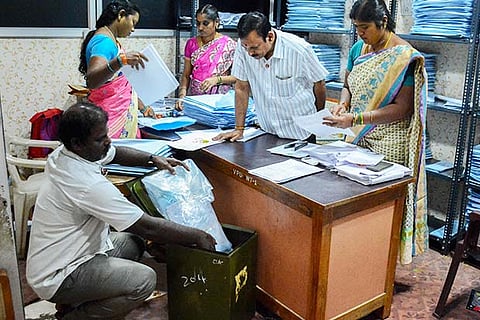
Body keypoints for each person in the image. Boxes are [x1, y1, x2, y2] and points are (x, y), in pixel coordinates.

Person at [26, 102, 216, 320]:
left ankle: (72, 303)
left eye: (106, 135)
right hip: (58, 275)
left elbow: (115, 153)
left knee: (132, 241)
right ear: (77, 143)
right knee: (143, 280)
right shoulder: (86, 183)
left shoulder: (66, 153)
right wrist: (198, 235)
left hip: (74, 253)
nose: (108, 141)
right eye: (100, 139)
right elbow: (147, 226)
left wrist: (153, 159)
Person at [323, 0, 428, 265]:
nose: (360, 33)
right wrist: (343, 104)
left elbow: (402, 108)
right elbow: (348, 82)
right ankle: (356, 258)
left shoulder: (404, 56)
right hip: (358, 134)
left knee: (381, 208)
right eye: (356, 27)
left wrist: (356, 117)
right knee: (353, 200)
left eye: (365, 27)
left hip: (390, 140)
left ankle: (380, 269)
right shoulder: (360, 48)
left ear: (383, 21)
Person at [213, 11, 328, 142]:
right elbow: (241, 87)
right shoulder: (243, 46)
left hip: (300, 132)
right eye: (246, 47)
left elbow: (319, 83)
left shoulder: (299, 50)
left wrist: (317, 121)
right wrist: (239, 128)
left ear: (270, 37)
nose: (250, 53)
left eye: (255, 47)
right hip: (267, 131)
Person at [79, 0, 154, 139]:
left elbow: (123, 82)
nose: (133, 29)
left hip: (114, 111)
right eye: (133, 22)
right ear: (121, 15)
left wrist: (143, 108)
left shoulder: (108, 39)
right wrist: (120, 61)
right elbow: (92, 80)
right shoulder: (104, 41)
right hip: (111, 115)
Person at [176, 4, 237, 110]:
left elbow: (237, 78)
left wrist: (216, 80)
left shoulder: (229, 45)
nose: (200, 28)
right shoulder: (191, 44)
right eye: (198, 23)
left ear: (216, 22)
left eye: (205, 23)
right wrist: (182, 97)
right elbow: (186, 75)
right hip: (196, 100)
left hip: (219, 102)